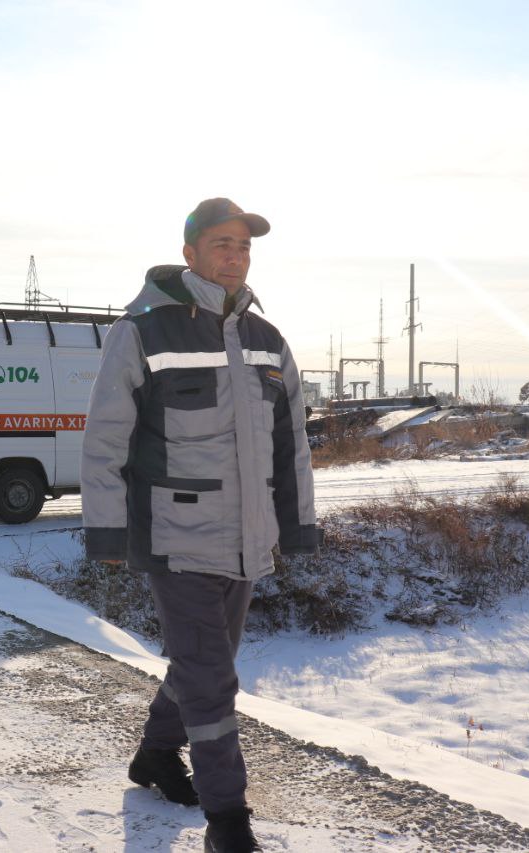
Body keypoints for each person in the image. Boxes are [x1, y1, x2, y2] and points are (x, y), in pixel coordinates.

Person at [81, 198, 319, 853]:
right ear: (189, 254)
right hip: (175, 536)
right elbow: (105, 437)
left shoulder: (269, 341)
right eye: (222, 244)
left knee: (204, 663)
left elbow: (291, 443)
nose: (235, 257)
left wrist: (297, 524)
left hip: (247, 537)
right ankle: (228, 822)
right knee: (212, 678)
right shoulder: (143, 332)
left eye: (244, 246)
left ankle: (156, 753)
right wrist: (106, 531)